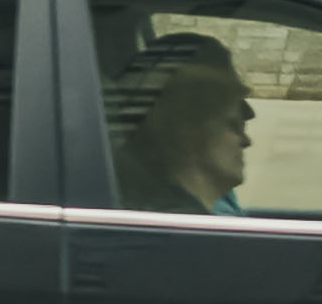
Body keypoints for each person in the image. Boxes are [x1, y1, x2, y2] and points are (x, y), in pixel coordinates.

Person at [105, 32, 254, 214]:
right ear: (188, 133)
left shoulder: (182, 213)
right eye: (233, 125)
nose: (247, 142)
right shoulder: (183, 228)